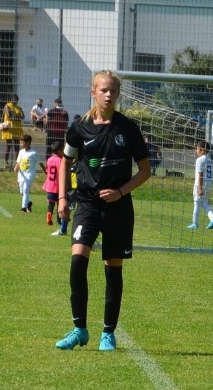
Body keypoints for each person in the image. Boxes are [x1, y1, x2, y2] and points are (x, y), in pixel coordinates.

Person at [54, 71, 152, 352]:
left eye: (113, 91)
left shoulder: (128, 128)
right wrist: (62, 197)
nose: (109, 95)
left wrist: (120, 192)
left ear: (118, 94)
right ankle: (79, 329)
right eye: (104, 90)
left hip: (118, 208)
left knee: (113, 268)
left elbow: (145, 171)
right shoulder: (79, 127)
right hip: (87, 204)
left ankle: (108, 333)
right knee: (77, 260)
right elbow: (65, 162)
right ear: (93, 92)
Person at [189, 140, 213, 229]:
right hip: (209, 183)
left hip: (201, 183)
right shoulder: (209, 160)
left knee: (197, 202)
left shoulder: (199, 160)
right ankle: (212, 219)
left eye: (197, 149)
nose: (196, 151)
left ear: (202, 150)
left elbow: (200, 174)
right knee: (205, 203)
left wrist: (200, 188)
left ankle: (195, 223)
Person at [44, 142, 65, 233]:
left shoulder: (49, 160)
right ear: (59, 151)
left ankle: (49, 214)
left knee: (51, 203)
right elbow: (62, 172)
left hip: (50, 185)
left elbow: (47, 171)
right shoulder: (61, 160)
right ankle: (59, 220)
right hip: (58, 185)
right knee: (59, 203)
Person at [14, 134, 37, 213]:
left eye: (22, 142)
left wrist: (45, 170)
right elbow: (18, 162)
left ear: (27, 142)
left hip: (29, 174)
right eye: (20, 141)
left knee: (25, 190)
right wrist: (16, 167)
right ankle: (28, 203)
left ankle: (23, 208)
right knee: (22, 191)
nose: (20, 143)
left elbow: (40, 162)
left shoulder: (33, 153)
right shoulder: (21, 152)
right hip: (21, 174)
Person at [0, 94, 24, 170]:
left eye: (17, 100)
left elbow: (23, 116)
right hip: (9, 129)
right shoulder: (7, 106)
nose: (15, 101)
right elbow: (9, 116)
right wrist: (18, 117)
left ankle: (16, 164)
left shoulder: (19, 107)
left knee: (17, 147)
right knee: (8, 146)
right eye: (14, 99)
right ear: (11, 99)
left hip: (17, 129)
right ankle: (6, 163)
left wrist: (15, 116)